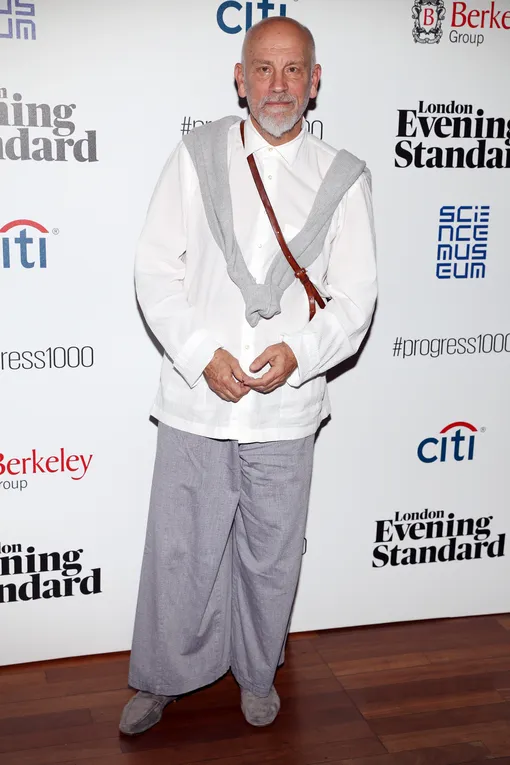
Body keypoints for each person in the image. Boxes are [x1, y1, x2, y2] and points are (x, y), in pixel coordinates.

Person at [120, 15, 377, 736]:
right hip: (198, 400)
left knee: (271, 553)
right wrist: (202, 353)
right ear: (239, 78)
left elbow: (356, 297)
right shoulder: (195, 155)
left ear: (316, 81)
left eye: (294, 70)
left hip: (286, 411)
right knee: (180, 549)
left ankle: (258, 672)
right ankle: (162, 678)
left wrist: (300, 352)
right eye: (263, 69)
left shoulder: (343, 177)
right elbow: (154, 270)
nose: (278, 85)